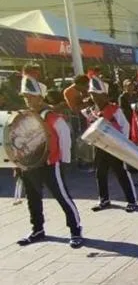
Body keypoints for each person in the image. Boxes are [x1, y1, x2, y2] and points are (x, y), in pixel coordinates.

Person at [16, 73, 83, 248]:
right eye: (25, 97)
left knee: (62, 197)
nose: (28, 99)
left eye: (31, 96)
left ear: (40, 97)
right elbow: (18, 140)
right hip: (30, 164)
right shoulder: (24, 116)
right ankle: (37, 230)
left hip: (50, 163)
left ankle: (75, 230)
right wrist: (18, 162)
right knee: (33, 197)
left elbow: (65, 137)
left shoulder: (52, 116)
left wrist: (64, 161)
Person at [82, 75, 137, 213]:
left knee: (121, 173)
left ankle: (131, 200)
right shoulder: (92, 111)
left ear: (105, 95)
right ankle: (104, 199)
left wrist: (122, 143)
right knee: (100, 173)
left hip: (114, 146)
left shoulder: (115, 109)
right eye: (92, 94)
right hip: (100, 147)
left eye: (97, 94)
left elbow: (125, 126)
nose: (94, 97)